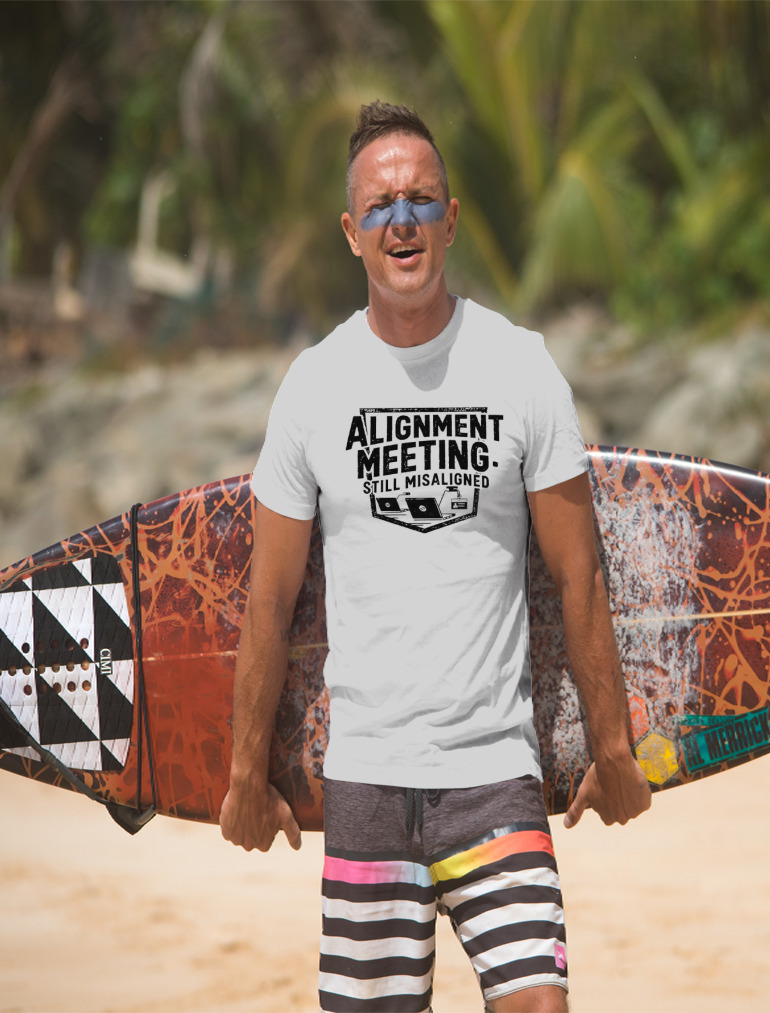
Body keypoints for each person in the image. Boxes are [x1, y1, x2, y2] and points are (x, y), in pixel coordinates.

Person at [220, 100, 651, 1013]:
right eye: (380, 206)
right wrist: (242, 772)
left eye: (421, 200)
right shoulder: (314, 387)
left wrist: (612, 746)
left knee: (540, 1003)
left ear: (451, 219)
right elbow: (270, 599)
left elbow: (579, 575)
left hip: (495, 773)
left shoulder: (521, 367)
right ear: (351, 232)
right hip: (368, 779)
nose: (402, 220)